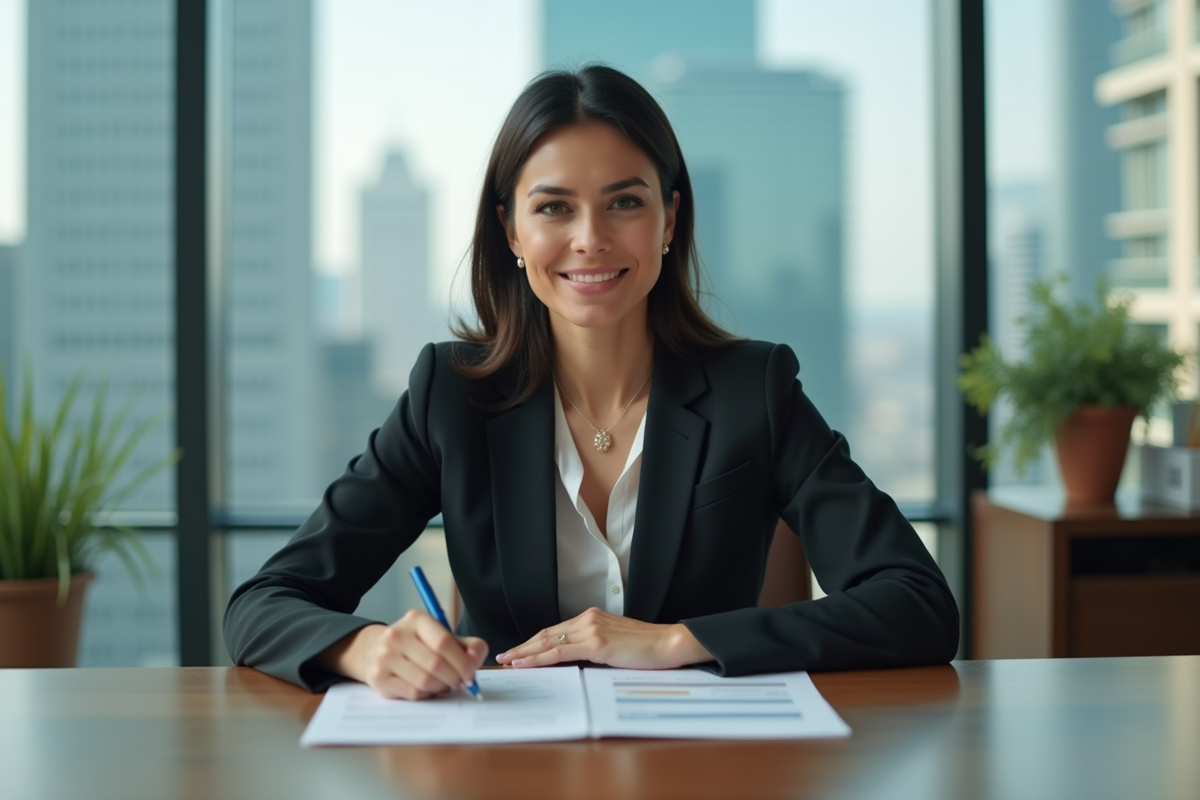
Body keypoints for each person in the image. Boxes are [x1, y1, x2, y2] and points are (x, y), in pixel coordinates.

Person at [224, 64, 959, 700]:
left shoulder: (754, 390)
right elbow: (264, 603)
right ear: (511, 230)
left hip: (709, 769)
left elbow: (918, 604)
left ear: (670, 220)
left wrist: (679, 641)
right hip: (505, 771)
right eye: (553, 207)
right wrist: (365, 649)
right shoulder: (448, 396)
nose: (590, 238)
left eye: (625, 201)